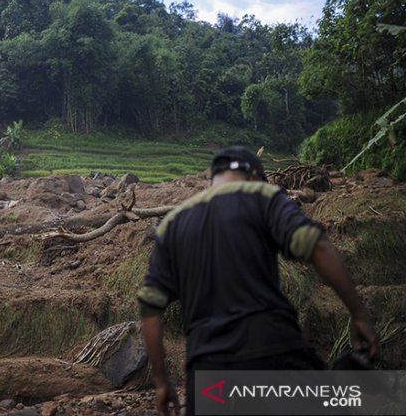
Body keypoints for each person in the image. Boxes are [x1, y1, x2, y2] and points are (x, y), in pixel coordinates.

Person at [137, 145, 380, 416]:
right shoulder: (261, 197)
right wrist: (358, 314)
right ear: (254, 176)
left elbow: (150, 308)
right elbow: (318, 246)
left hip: (208, 368)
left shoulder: (173, 223)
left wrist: (161, 381)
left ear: (213, 178)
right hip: (273, 349)